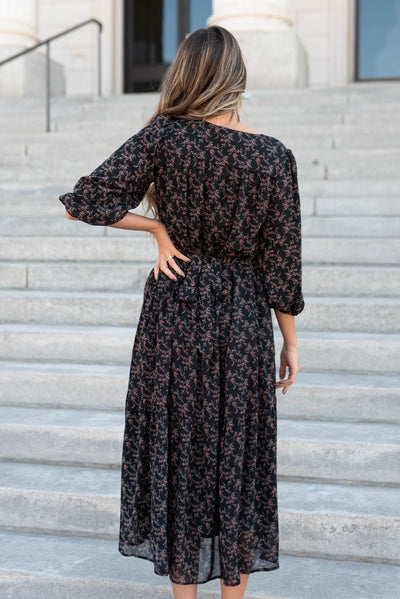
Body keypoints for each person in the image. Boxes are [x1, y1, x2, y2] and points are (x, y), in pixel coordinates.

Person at [59, 24, 305, 599]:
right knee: (236, 460)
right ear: (236, 77)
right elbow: (283, 265)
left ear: (186, 74)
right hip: (243, 320)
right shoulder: (273, 156)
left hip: (176, 308)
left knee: (181, 454)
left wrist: (158, 229)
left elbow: (82, 201)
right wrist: (289, 342)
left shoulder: (164, 138)